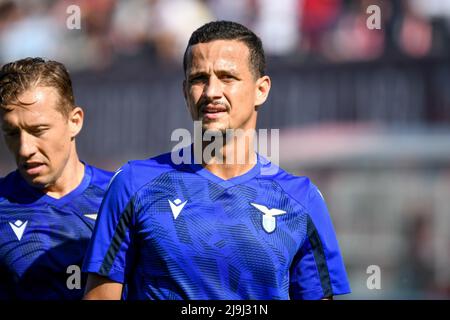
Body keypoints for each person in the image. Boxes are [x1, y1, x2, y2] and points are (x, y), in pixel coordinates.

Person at [82, 21, 351, 300]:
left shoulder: (302, 200)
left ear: (262, 89)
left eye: (227, 77)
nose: (211, 92)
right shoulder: (132, 185)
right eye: (199, 79)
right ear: (185, 91)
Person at [0, 57, 113, 299]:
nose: (24, 149)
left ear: (74, 122)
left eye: (38, 130)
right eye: (12, 133)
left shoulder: (120, 199)